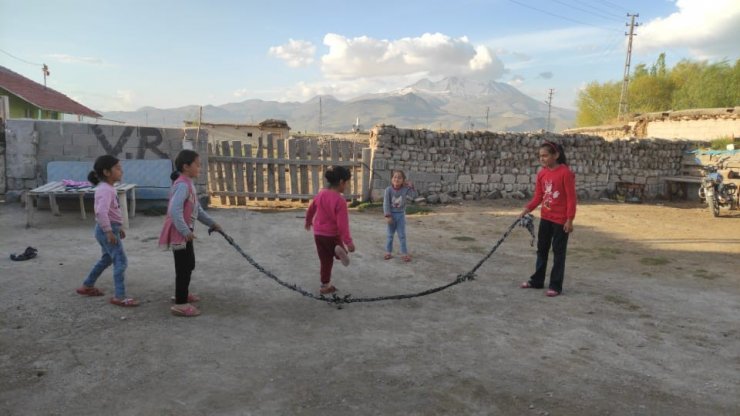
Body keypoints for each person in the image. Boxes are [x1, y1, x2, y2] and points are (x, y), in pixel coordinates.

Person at [159, 150, 221, 317]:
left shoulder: (188, 184)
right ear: (186, 166)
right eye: (197, 165)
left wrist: (212, 223)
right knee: (183, 268)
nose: (200, 168)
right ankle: (180, 303)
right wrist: (185, 230)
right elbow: (174, 210)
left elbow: (198, 210)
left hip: (186, 233)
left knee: (189, 264)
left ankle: (183, 294)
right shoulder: (182, 185)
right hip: (180, 234)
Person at [76, 155, 139, 306]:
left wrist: (118, 229)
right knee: (121, 261)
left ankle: (87, 285)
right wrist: (109, 231)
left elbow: (112, 211)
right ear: (106, 172)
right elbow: (101, 212)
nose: (121, 171)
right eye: (117, 168)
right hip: (106, 229)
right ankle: (119, 296)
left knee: (107, 258)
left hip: (109, 228)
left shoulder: (107, 188)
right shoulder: (105, 190)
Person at [519, 141, 577, 297]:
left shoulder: (565, 173)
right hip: (546, 217)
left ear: (556, 155)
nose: (542, 159)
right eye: (540, 156)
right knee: (541, 250)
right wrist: (527, 209)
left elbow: (571, 199)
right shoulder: (542, 174)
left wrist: (569, 219)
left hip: (560, 221)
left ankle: (555, 286)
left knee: (558, 253)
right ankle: (537, 281)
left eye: (545, 155)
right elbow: (539, 196)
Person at [304, 166, 355, 295]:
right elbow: (342, 224)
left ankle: (324, 285)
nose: (347, 186)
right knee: (337, 250)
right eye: (347, 183)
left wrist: (308, 221)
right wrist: (348, 242)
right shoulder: (340, 200)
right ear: (342, 182)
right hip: (332, 235)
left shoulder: (321, 193)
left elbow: (311, 208)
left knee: (325, 260)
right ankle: (340, 252)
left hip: (318, 234)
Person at [383, 170, 417, 262]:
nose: (396, 179)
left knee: (402, 235)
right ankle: (388, 252)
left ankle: (404, 253)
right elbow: (386, 204)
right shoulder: (388, 190)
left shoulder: (405, 189)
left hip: (401, 215)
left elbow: (414, 196)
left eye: (399, 177)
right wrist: (388, 216)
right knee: (390, 235)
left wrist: (411, 186)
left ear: (403, 180)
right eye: (395, 177)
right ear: (391, 179)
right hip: (391, 216)